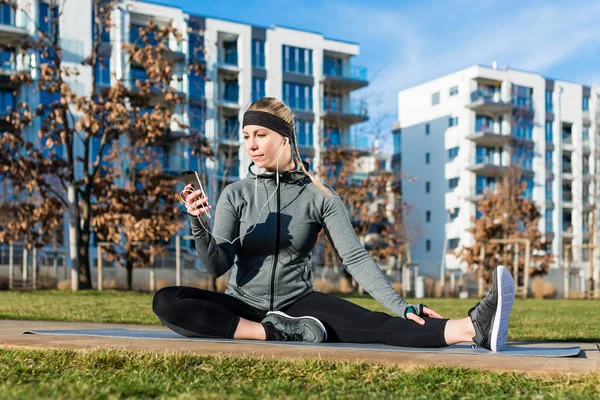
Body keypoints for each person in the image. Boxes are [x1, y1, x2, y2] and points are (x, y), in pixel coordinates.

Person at [153, 97, 516, 352]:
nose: (251, 144)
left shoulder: (320, 197)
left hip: (299, 304)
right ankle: (270, 334)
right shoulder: (237, 194)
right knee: (168, 299)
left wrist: (401, 305)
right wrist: (198, 224)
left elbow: (355, 259)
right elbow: (218, 266)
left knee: (376, 326)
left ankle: (473, 328)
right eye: (247, 136)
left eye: (260, 135)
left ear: (284, 138)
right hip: (244, 304)